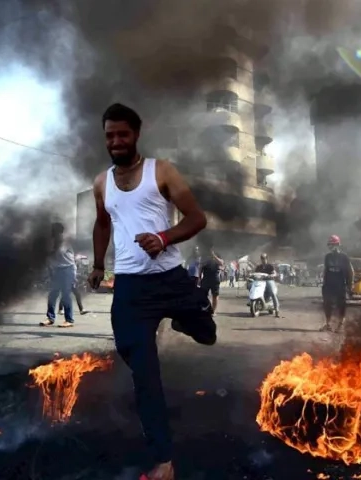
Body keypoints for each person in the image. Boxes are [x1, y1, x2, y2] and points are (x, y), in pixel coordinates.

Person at [86, 103, 216, 480]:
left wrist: (163, 237)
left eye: (122, 134)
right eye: (109, 135)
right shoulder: (101, 182)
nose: (115, 141)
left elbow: (197, 218)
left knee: (207, 335)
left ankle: (186, 317)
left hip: (169, 278)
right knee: (144, 374)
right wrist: (98, 265)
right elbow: (101, 224)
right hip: (130, 287)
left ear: (136, 134)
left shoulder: (161, 171)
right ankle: (164, 460)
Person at [41, 222, 76, 327]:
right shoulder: (52, 241)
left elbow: (55, 251)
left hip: (67, 269)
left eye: (54, 230)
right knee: (52, 295)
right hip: (56, 270)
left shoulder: (64, 241)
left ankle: (69, 320)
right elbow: (50, 257)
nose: (52, 232)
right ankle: (50, 318)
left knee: (65, 295)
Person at [320, 235, 354, 332]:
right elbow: (326, 270)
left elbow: (350, 271)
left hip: (340, 285)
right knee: (327, 304)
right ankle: (328, 324)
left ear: (338, 245)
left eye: (333, 244)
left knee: (341, 305)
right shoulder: (327, 257)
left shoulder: (344, 257)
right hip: (328, 285)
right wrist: (323, 282)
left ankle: (340, 325)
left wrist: (350, 285)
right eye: (330, 245)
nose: (331, 247)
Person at [254, 253, 280, 317]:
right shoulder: (258, 267)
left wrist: (272, 275)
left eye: (264, 258)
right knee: (252, 286)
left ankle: (277, 309)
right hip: (260, 282)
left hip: (269, 281)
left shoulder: (270, 266)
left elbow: (274, 273)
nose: (263, 259)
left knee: (273, 293)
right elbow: (255, 274)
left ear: (266, 258)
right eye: (262, 258)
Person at [199, 247, 224, 314]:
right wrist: (199, 277)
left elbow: (221, 263)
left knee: (215, 295)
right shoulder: (204, 256)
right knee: (203, 295)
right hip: (205, 278)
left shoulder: (218, 254)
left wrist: (214, 256)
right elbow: (200, 267)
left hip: (215, 278)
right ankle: (205, 308)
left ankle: (213, 311)